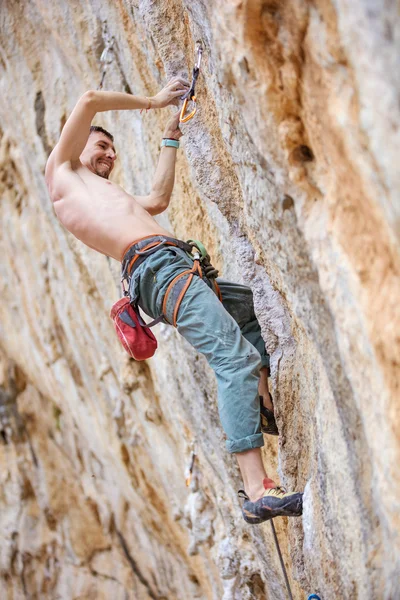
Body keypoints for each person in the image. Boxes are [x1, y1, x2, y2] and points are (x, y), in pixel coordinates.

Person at [45, 79, 303, 524]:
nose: (109, 154)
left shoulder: (111, 196)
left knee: (254, 311)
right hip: (158, 271)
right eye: (100, 145)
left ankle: (262, 403)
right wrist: (153, 100)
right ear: (75, 143)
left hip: (176, 267)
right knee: (234, 358)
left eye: (112, 149)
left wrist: (171, 134)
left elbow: (160, 200)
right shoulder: (62, 175)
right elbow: (88, 98)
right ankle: (257, 489)